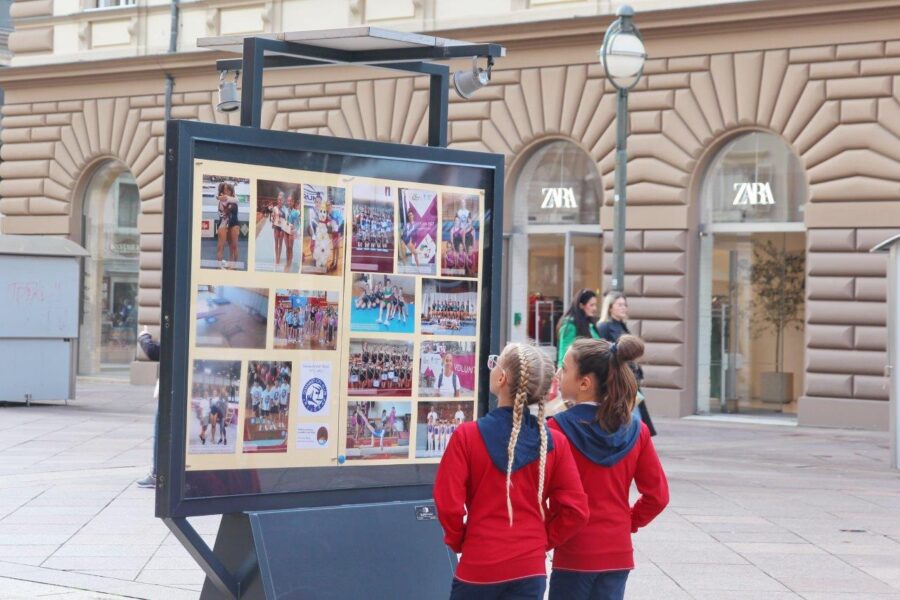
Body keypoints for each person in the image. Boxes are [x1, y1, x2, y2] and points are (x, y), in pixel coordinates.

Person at [434, 343, 589, 600]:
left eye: (495, 362)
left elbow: (448, 504)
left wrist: (459, 540)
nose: (492, 367)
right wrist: (542, 539)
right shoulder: (555, 443)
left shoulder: (467, 436)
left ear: (502, 378)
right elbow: (576, 511)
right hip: (530, 569)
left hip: (479, 564)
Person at [549, 336, 669, 600]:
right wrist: (627, 522)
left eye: (565, 367)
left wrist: (549, 534)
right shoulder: (638, 431)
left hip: (573, 551)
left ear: (585, 383)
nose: (558, 372)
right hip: (618, 552)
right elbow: (658, 497)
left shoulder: (556, 430)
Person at [598, 292, 656, 436]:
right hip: (619, 378)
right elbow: (603, 351)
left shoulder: (622, 326)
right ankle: (635, 439)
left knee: (634, 410)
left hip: (629, 376)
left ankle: (637, 439)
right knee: (631, 412)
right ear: (610, 307)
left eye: (625, 305)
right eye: (620, 304)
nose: (624, 308)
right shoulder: (604, 326)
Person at [136, 327, 161, 488]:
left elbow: (154, 351)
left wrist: (144, 337)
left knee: (161, 432)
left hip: (172, 390)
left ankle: (157, 474)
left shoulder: (180, 319)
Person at [556, 289, 601, 368]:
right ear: (581, 305)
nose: (595, 308)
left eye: (595, 305)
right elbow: (564, 355)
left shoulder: (590, 324)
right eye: (591, 305)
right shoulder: (570, 325)